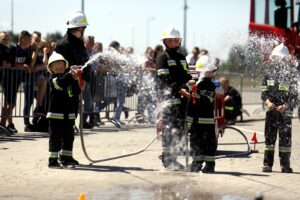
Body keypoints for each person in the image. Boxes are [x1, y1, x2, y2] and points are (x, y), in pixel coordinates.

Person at [157, 26, 194, 170]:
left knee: (179, 130)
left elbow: (186, 76)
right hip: (169, 100)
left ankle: (173, 159)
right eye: (170, 40)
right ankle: (167, 160)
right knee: (169, 130)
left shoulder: (181, 57)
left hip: (182, 100)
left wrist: (190, 84)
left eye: (175, 40)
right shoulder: (162, 57)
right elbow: (164, 81)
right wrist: (179, 89)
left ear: (179, 41)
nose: (173, 42)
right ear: (165, 41)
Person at [261, 43, 298, 173]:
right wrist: (268, 102)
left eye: (281, 58)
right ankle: (267, 165)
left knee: (285, 143)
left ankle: (285, 166)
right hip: (271, 113)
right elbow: (263, 93)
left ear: (286, 59)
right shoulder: (268, 74)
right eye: (277, 58)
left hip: (285, 114)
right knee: (269, 141)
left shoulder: (291, 75)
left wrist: (285, 106)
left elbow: (295, 96)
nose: (279, 60)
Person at [47, 52, 84, 168]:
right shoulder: (53, 79)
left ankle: (66, 157)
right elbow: (60, 83)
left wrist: (76, 79)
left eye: (62, 68)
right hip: (56, 116)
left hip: (69, 115)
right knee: (55, 138)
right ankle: (52, 160)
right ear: (52, 70)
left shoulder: (68, 79)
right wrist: (69, 75)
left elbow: (76, 92)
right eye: (57, 69)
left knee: (69, 137)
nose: (59, 70)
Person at [189, 56, 217, 173]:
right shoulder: (199, 83)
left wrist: (198, 96)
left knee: (205, 143)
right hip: (198, 120)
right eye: (211, 71)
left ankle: (208, 164)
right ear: (207, 72)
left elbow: (209, 99)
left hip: (205, 120)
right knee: (197, 142)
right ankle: (197, 163)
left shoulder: (209, 85)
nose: (213, 73)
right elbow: (191, 103)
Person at [3, 30, 32, 134]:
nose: (30, 41)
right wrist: (23, 66)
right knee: (10, 103)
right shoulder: (13, 48)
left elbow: (29, 65)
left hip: (17, 80)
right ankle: (3, 124)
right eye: (28, 39)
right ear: (22, 39)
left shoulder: (26, 50)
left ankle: (8, 124)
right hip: (8, 78)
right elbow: (9, 63)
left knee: (10, 103)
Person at [0, 32, 11, 131]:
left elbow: (9, 64)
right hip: (3, 76)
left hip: (5, 78)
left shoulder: (8, 49)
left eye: (7, 38)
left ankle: (2, 124)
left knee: (8, 102)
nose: (6, 39)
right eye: (3, 38)